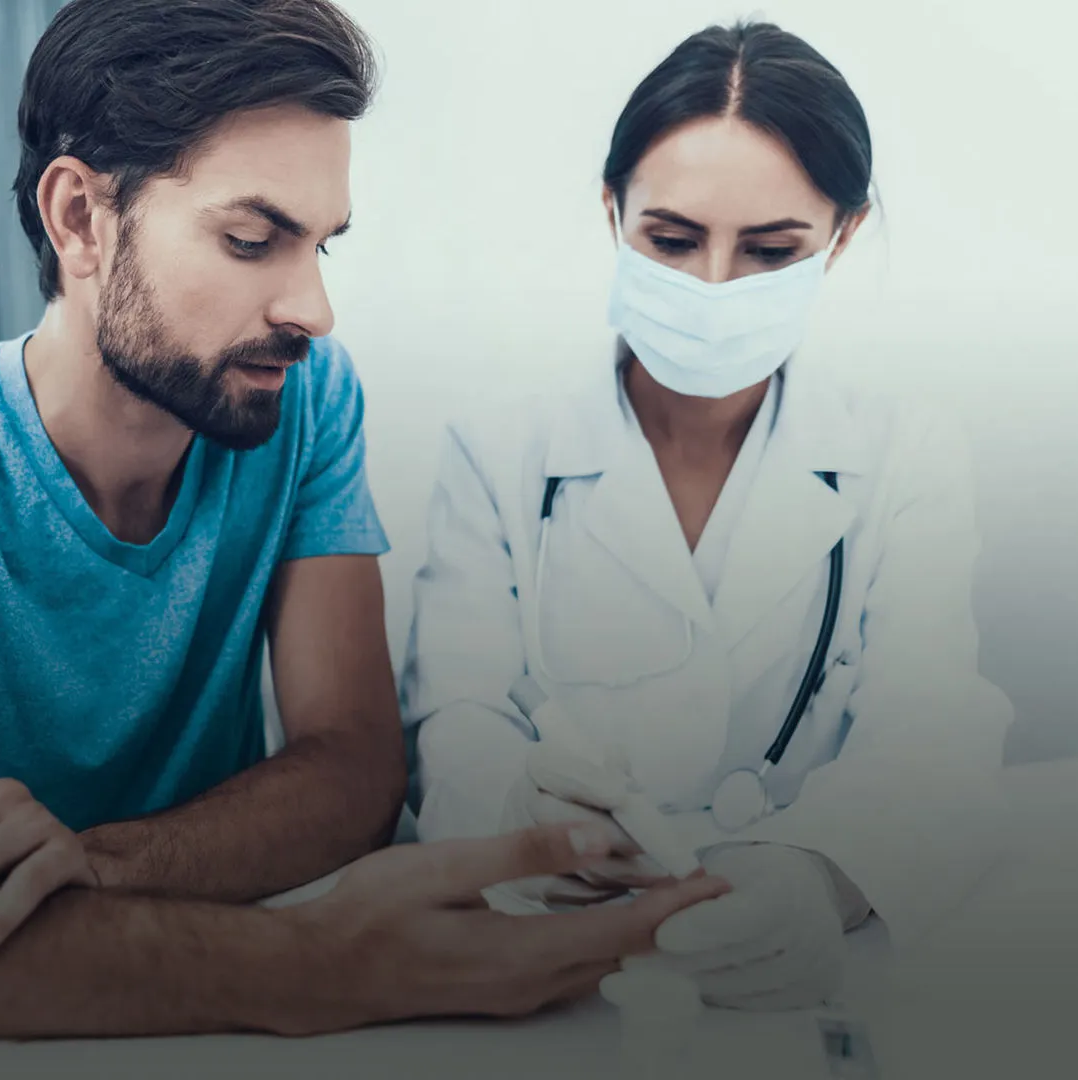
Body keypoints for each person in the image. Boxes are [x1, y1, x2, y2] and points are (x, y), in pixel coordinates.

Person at [0, 0, 728, 1037]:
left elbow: (353, 768)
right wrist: (310, 966)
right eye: (253, 240)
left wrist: (84, 866)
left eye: (322, 244)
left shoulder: (307, 399)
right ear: (80, 219)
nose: (313, 309)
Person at [401, 22, 1015, 1011]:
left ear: (842, 239)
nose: (713, 289)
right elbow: (455, 724)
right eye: (672, 240)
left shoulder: (906, 455)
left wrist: (826, 874)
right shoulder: (500, 451)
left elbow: (936, 735)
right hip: (551, 965)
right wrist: (518, 819)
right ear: (613, 214)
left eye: (772, 250)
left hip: (798, 977)